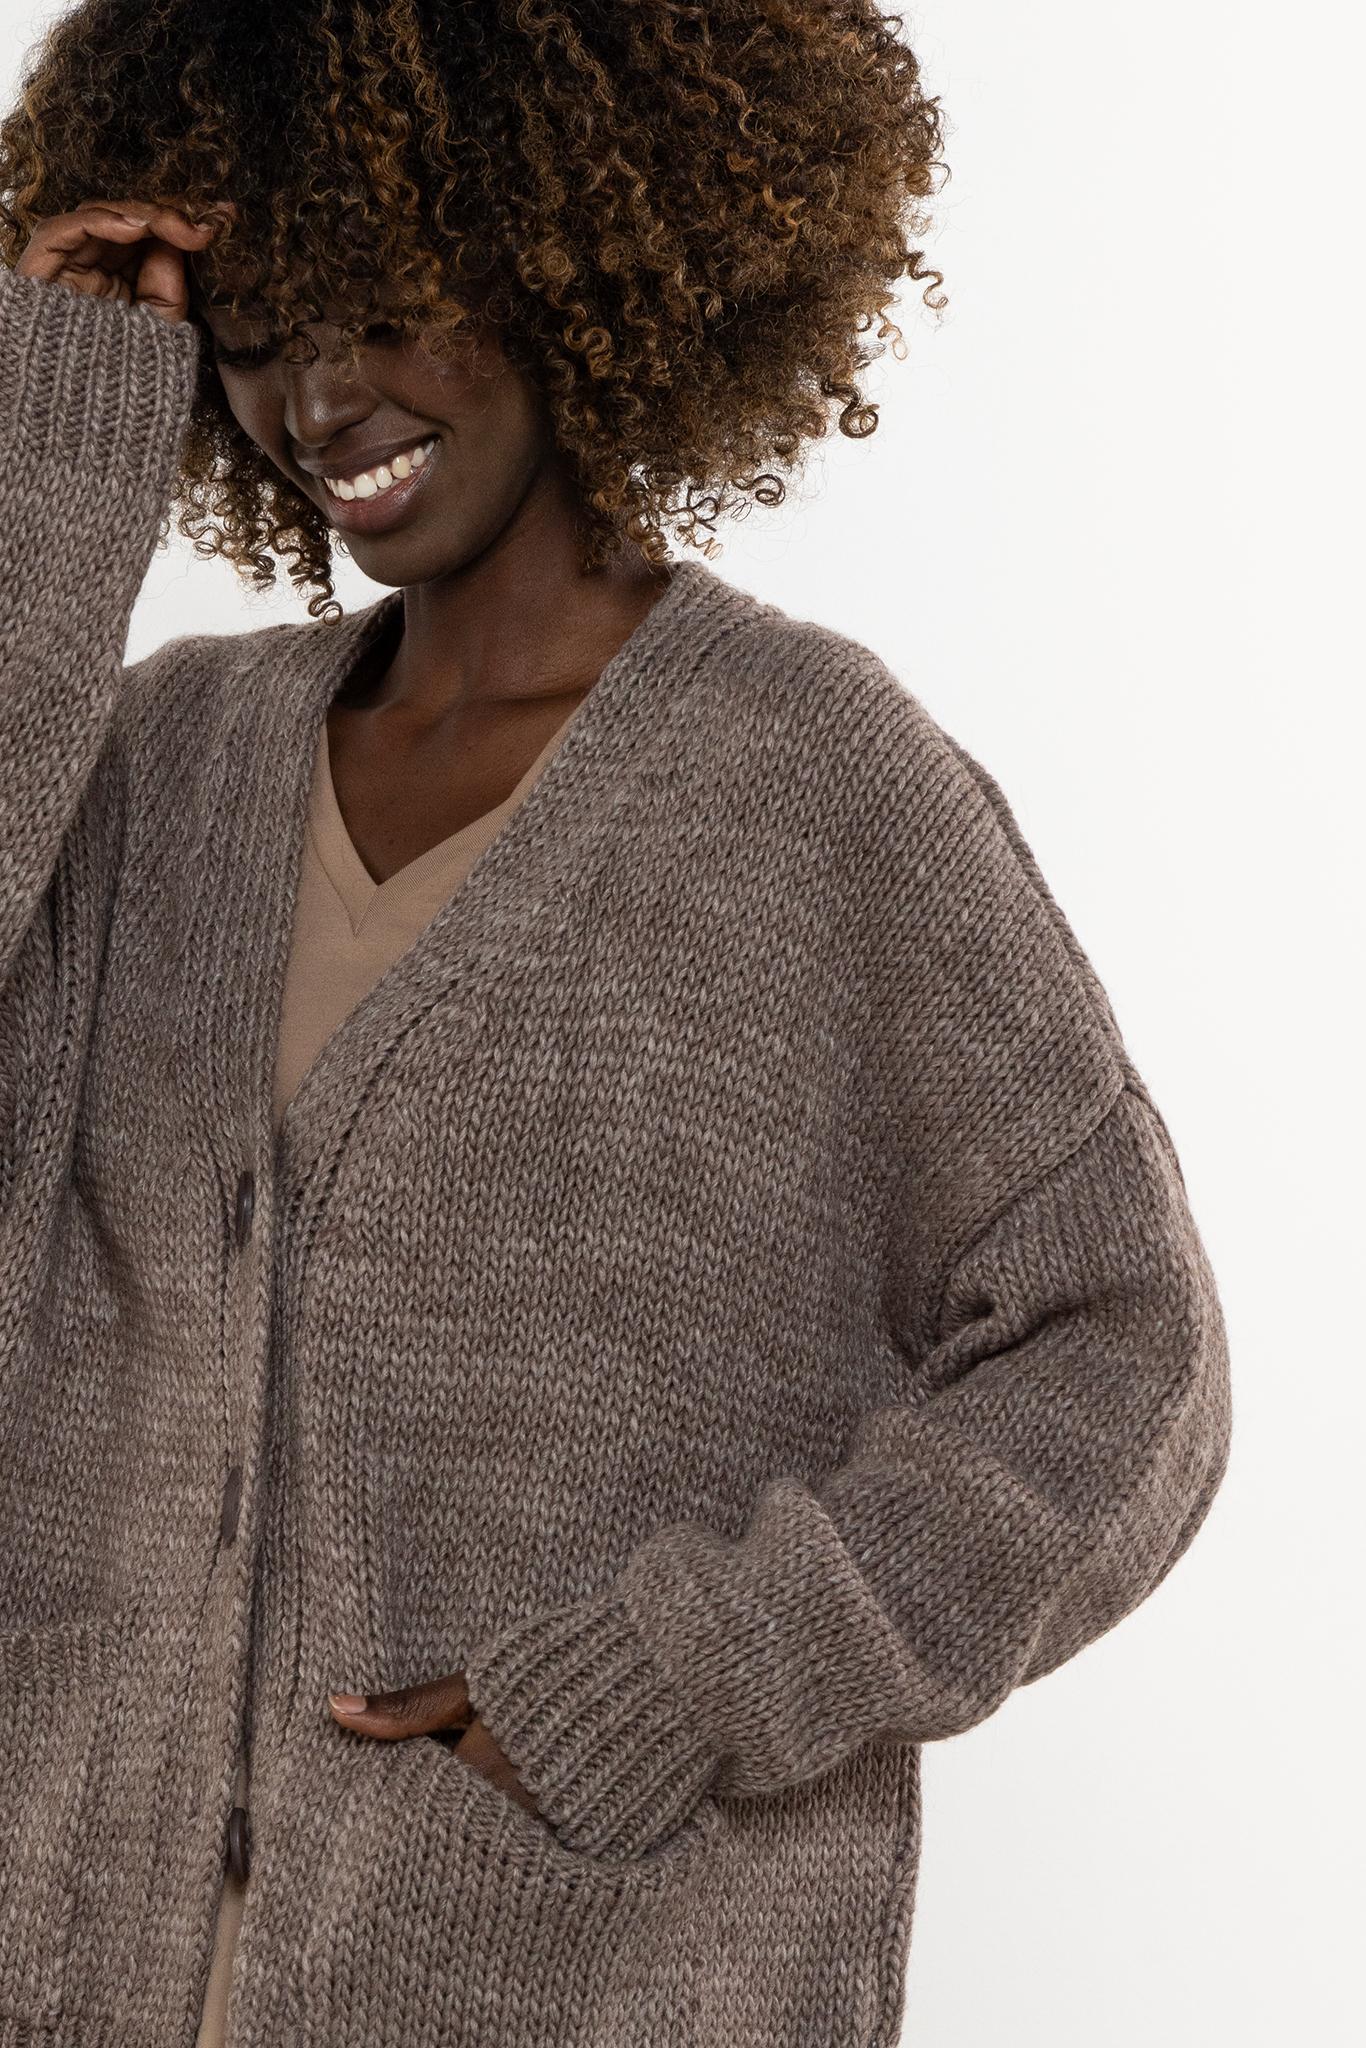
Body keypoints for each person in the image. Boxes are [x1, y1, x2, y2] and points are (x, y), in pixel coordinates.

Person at [0, 5, 1231, 2044]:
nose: (320, 399)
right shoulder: (157, 763)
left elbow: (1124, 1357)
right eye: (262, 333)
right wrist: (49, 477)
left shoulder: (815, 786)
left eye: (387, 306)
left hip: (569, 1981)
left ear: (561, 256)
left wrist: (686, 1673)